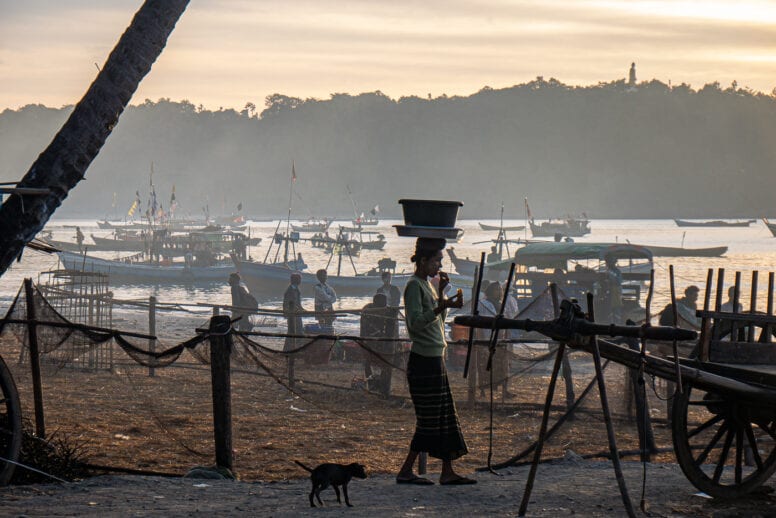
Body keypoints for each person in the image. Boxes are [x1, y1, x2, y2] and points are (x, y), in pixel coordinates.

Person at [396, 237, 475, 486]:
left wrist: (443, 298)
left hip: (435, 358)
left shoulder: (429, 286)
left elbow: (437, 325)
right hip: (423, 361)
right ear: (423, 260)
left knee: (444, 416)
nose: (439, 265)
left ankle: (447, 472)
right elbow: (415, 324)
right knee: (429, 419)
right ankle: (406, 471)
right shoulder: (413, 286)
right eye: (436, 260)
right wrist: (442, 306)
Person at [475, 281, 513, 399]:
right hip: (487, 338)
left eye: (500, 289)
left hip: (500, 340)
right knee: (484, 365)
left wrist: (506, 337)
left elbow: (506, 322)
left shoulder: (501, 305)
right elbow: (480, 323)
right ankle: (482, 391)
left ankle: (505, 391)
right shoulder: (484, 304)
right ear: (491, 291)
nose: (499, 291)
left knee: (503, 366)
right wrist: (482, 340)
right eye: (497, 289)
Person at [361, 293, 399, 397]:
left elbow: (391, 330)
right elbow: (364, 330)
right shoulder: (368, 311)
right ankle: (372, 385)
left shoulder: (388, 312)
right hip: (370, 343)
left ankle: (384, 389)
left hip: (385, 344)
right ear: (375, 303)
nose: (384, 307)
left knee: (386, 366)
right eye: (382, 304)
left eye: (385, 304)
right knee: (368, 363)